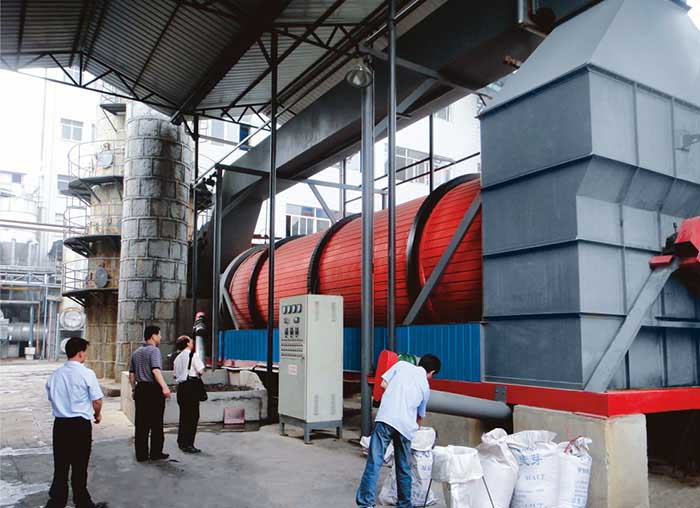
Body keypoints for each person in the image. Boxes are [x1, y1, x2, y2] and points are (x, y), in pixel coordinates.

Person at [356, 354, 441, 508]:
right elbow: (419, 417)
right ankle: (405, 504)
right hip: (405, 427)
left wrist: (395, 395)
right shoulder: (425, 387)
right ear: (432, 372)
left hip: (385, 419)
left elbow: (383, 384)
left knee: (374, 462)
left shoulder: (401, 366)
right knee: (403, 467)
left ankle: (366, 503)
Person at [44, 337, 108, 508]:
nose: (86, 355)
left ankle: (57, 501)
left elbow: (51, 397)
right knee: (80, 465)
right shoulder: (87, 374)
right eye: (85, 352)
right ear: (80, 353)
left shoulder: (55, 375)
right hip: (80, 425)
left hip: (61, 425)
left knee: (61, 465)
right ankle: (82, 501)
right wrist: (97, 415)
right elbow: (97, 400)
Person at [129, 325, 171, 462]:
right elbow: (155, 370)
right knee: (156, 423)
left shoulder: (136, 353)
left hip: (140, 389)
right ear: (153, 336)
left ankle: (141, 454)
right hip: (153, 390)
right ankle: (155, 453)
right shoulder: (154, 351)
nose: (161, 337)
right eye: (159, 334)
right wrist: (164, 387)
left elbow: (131, 374)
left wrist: (133, 389)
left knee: (141, 423)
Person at [174, 335, 205, 453]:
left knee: (184, 416)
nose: (192, 342)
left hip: (181, 388)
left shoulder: (177, 358)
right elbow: (201, 370)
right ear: (187, 343)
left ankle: (181, 442)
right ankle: (189, 444)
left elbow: (175, 376)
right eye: (191, 341)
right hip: (191, 387)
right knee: (193, 416)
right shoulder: (193, 355)